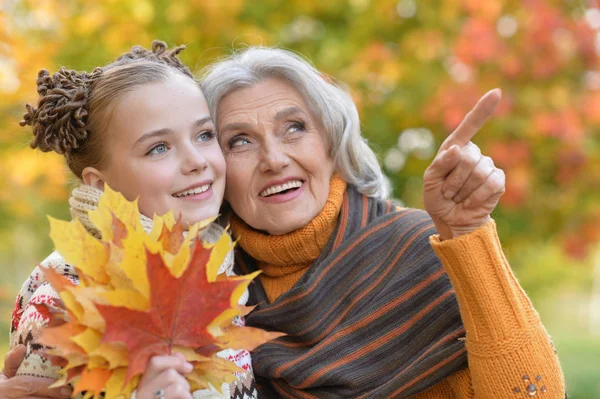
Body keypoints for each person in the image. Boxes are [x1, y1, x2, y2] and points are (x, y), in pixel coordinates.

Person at [198, 47, 566, 398]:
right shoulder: (209, 286)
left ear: (332, 144)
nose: (274, 159)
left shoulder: (419, 247)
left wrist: (468, 234)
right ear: (214, 169)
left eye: (294, 127)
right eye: (240, 141)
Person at [5, 41, 256, 399]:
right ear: (102, 184)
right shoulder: (74, 288)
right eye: (159, 148)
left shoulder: (220, 262)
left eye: (204, 135)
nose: (196, 160)